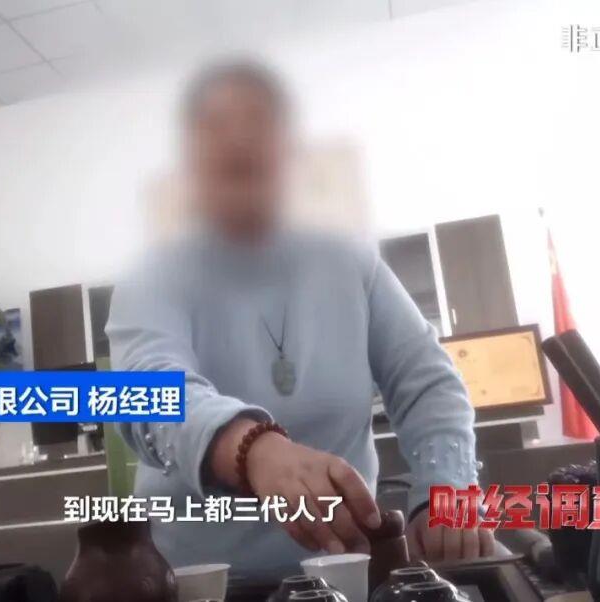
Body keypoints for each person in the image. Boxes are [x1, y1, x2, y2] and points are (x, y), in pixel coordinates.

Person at [106, 60, 494, 582]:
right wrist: (252, 448)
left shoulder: (348, 259)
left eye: (257, 120)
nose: (239, 139)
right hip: (201, 582)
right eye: (217, 126)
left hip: (349, 574)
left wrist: (448, 487)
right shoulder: (153, 273)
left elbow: (427, 382)